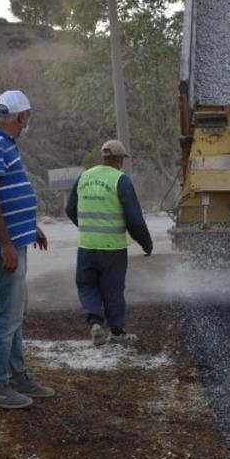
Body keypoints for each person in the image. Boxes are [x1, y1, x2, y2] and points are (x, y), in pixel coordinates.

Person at [0, 90, 55, 410]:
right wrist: (6, 243)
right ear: (20, 117)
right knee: (8, 318)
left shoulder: (2, 145)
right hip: (2, 248)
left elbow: (6, 195)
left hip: (14, 242)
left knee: (17, 314)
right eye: (27, 117)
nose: (27, 123)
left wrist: (29, 228)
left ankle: (18, 376)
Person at [66, 140, 153, 345]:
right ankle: (117, 332)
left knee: (87, 285)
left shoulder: (83, 177)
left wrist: (86, 226)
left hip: (87, 246)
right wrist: (146, 243)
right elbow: (134, 218)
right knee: (112, 289)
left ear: (103, 158)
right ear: (120, 160)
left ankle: (96, 323)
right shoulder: (120, 180)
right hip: (113, 248)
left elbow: (70, 209)